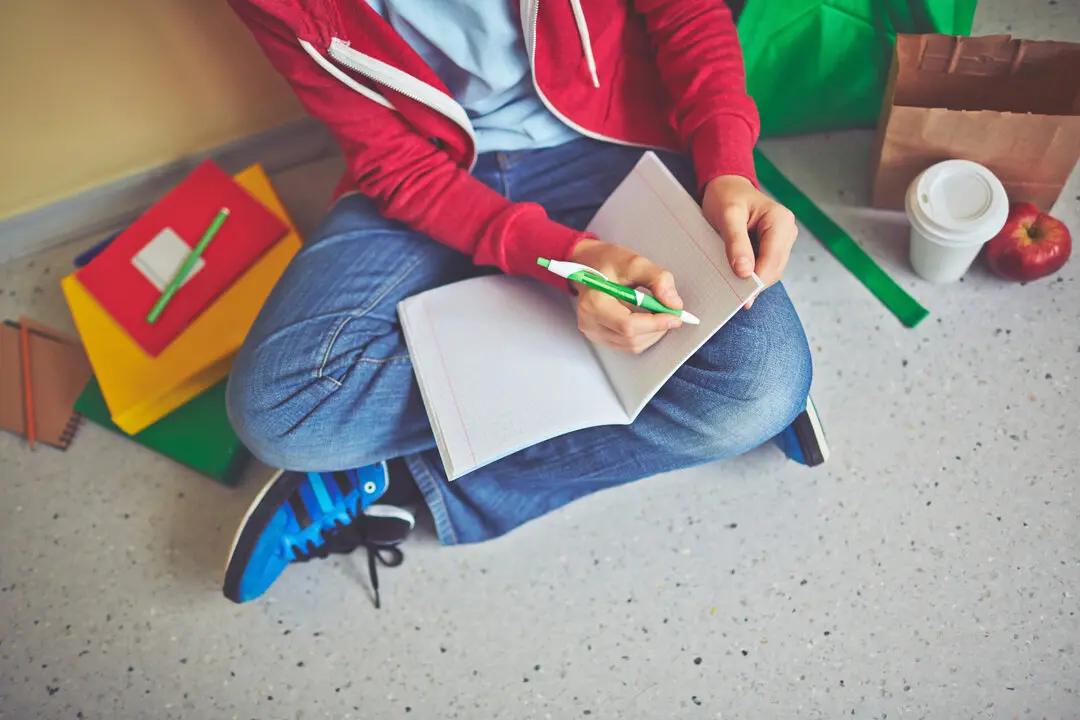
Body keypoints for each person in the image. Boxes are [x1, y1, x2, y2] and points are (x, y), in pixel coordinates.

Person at [221, 0, 828, 607]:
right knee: (280, 408)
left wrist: (727, 167)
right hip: (434, 172)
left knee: (763, 388)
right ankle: (676, 389)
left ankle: (404, 477)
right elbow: (395, 165)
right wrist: (562, 261)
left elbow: (687, 14)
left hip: (610, 139)